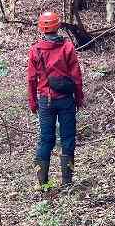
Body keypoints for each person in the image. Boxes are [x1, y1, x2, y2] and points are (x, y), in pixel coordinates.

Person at [27, 11, 84, 188]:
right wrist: (79, 98)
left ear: (41, 28)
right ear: (58, 26)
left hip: (45, 101)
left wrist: (33, 102)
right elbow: (76, 76)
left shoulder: (35, 50)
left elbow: (31, 79)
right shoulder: (67, 47)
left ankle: (42, 184)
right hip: (66, 100)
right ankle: (67, 182)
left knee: (45, 139)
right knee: (68, 139)